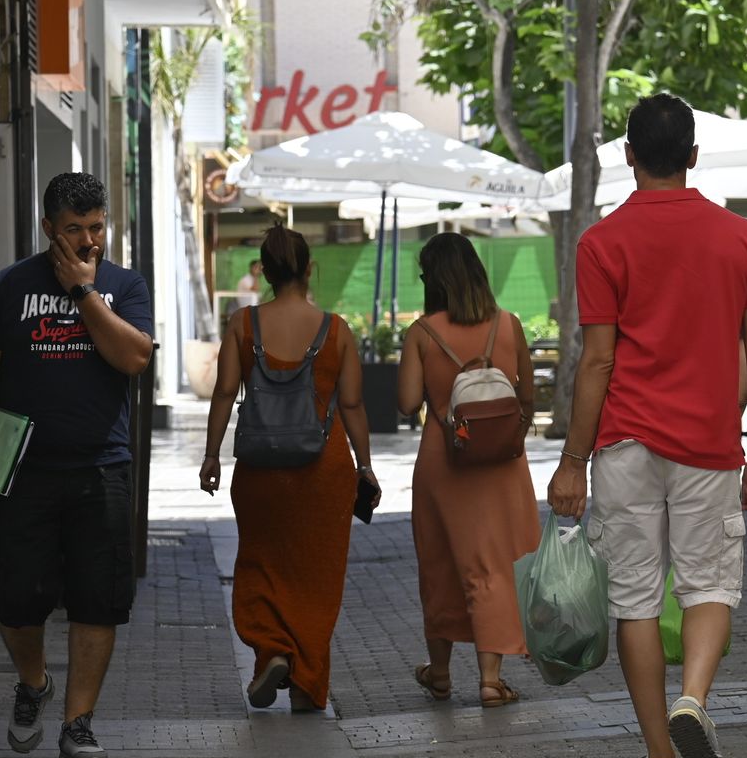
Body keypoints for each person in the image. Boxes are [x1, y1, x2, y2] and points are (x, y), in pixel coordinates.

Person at [546, 92, 747, 758]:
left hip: (624, 445)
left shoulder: (601, 242)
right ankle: (694, 700)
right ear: (694, 156)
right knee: (709, 587)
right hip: (709, 442)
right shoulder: (741, 238)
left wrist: (573, 461)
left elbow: (596, 360)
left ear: (628, 157)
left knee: (636, 601)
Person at [0, 172, 154, 758]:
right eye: (74, 229)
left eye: (96, 227)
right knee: (17, 598)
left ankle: (77, 725)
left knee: (98, 601)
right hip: (26, 470)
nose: (88, 240)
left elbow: (134, 357)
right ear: (48, 228)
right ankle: (34, 681)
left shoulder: (124, 285)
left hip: (103, 469)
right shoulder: (12, 285)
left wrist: (84, 292)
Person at [199, 224, 378, 713]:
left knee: (261, 562)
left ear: (265, 272)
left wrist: (212, 455)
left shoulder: (243, 324)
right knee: (316, 576)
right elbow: (353, 405)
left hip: (260, 471)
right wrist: (365, 465)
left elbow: (224, 393)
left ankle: (273, 648)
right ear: (308, 268)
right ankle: (305, 684)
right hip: (323, 471)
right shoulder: (336, 330)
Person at [397, 232, 539, 708]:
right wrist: (510, 438)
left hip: (444, 461)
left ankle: (440, 673)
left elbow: (406, 403)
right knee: (494, 565)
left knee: (440, 564)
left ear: (433, 281)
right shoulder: (508, 324)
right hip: (502, 463)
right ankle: (491, 679)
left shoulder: (422, 332)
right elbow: (527, 397)